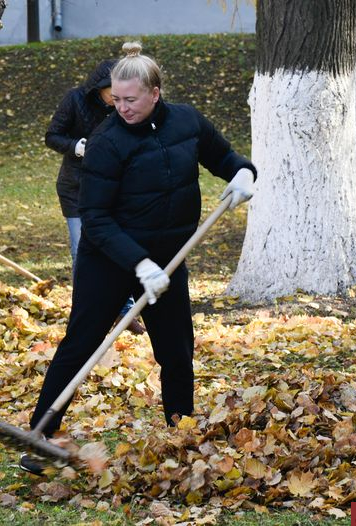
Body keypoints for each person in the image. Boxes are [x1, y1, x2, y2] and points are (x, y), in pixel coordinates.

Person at [19, 42, 256, 475]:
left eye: (130, 99)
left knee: (177, 350)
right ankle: (42, 434)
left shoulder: (187, 121)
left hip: (167, 260)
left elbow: (222, 156)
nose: (121, 107)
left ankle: (181, 434)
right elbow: (94, 216)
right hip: (109, 260)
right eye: (116, 98)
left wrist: (243, 172)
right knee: (81, 343)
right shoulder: (107, 141)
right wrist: (139, 264)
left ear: (155, 93)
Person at [45, 59, 145, 335]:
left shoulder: (124, 108)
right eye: (112, 94)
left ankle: (124, 311)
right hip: (75, 189)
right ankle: (87, 311)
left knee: (117, 248)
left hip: (113, 190)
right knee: (83, 253)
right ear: (99, 88)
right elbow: (52, 135)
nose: (117, 101)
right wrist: (77, 147)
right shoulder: (74, 100)